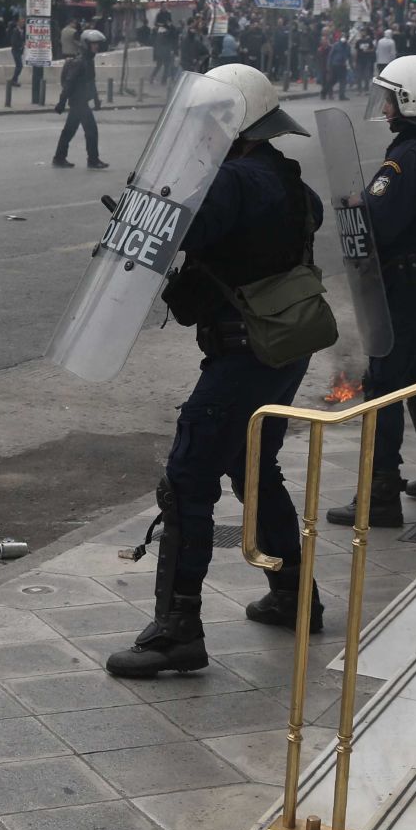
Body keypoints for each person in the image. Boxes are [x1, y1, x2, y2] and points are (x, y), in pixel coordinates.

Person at [105, 66, 327, 676]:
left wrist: (147, 203)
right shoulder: (285, 177)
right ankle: (293, 594)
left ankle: (179, 629)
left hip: (242, 352)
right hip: (283, 342)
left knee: (187, 479)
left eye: (210, 122)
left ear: (234, 124)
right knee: (254, 466)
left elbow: (181, 230)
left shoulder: (231, 180)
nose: (201, 134)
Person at [327, 54, 416, 528]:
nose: (385, 107)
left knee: (384, 385)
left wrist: (356, 204)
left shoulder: (405, 158)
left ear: (410, 101)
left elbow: (378, 223)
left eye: (390, 98)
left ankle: (379, 495)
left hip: (408, 288)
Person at [52, 28, 108, 170]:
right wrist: (61, 102)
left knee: (69, 131)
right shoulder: (80, 62)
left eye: (97, 44)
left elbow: (91, 82)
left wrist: (96, 100)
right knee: (91, 131)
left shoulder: (89, 61)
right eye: (93, 44)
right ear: (86, 44)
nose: (96, 46)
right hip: (78, 102)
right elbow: (69, 83)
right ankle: (93, 160)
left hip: (81, 101)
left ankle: (59, 158)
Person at [9, 16, 26, 87]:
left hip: (18, 51)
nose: (23, 23)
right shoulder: (16, 31)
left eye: (23, 22)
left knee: (19, 66)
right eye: (21, 22)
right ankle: (13, 80)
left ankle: (14, 80)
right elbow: (13, 41)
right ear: (18, 23)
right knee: (19, 66)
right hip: (15, 51)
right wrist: (21, 44)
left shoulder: (21, 31)